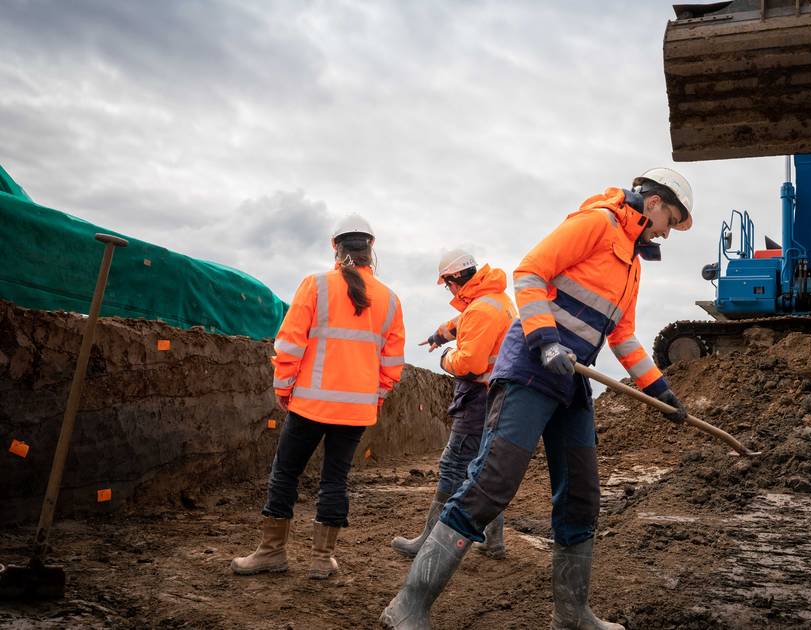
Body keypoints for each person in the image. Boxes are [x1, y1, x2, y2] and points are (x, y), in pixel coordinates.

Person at [380, 168, 695, 630]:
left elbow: (622, 335)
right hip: (531, 366)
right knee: (493, 481)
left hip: (571, 381)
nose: (669, 231)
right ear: (653, 204)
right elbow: (529, 272)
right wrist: (546, 341)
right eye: (672, 218)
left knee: (582, 496)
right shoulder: (598, 223)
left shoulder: (631, 263)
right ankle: (408, 605)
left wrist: (660, 390)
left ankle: (571, 615)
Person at [231, 213, 405, 580]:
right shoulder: (390, 300)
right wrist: (375, 397)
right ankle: (322, 559)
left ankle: (271, 552)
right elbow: (392, 364)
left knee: (286, 473)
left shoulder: (316, 285)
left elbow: (290, 343)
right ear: (371, 248)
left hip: (310, 403)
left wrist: (284, 387)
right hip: (356, 410)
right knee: (334, 479)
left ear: (334, 246)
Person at [390, 249, 515, 560]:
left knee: (453, 465)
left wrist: (446, 358)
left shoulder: (482, 309)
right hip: (497, 395)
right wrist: (439, 336)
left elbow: (470, 363)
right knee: (482, 467)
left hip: (478, 396)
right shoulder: (494, 299)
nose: (449, 290)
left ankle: (429, 540)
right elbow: (461, 322)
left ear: (455, 279)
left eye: (447, 284)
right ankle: (493, 540)